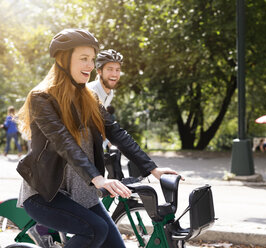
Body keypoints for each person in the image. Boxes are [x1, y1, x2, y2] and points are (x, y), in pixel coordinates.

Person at [16, 28, 181, 248]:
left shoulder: (89, 98)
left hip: (82, 194)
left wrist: (152, 169)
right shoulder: (42, 98)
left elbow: (117, 133)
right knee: (95, 230)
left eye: (92, 59)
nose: (90, 66)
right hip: (45, 195)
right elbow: (64, 142)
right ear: (64, 60)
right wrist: (98, 179)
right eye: (83, 59)